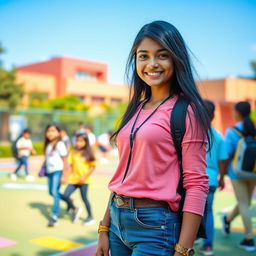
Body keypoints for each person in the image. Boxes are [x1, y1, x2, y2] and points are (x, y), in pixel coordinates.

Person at [96, 20, 210, 256]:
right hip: (117, 222)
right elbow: (124, 175)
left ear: (176, 59)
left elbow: (197, 185)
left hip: (156, 227)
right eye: (143, 56)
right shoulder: (134, 109)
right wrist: (104, 227)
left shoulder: (187, 111)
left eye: (162, 55)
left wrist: (183, 250)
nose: (152, 64)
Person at [221, 101, 256, 252]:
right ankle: (227, 220)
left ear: (237, 112)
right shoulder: (253, 128)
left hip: (237, 172)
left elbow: (228, 153)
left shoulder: (231, 131)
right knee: (245, 202)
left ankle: (249, 240)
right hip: (253, 171)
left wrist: (222, 174)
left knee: (243, 204)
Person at [198, 100, 228, 256]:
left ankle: (190, 239)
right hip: (211, 180)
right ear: (213, 115)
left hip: (193, 180)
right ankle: (208, 245)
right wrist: (222, 178)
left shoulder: (193, 133)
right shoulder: (219, 136)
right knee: (208, 212)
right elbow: (223, 160)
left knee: (189, 211)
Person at [63, 133, 96, 225]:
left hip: (84, 181)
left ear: (86, 142)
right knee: (65, 195)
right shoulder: (73, 153)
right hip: (73, 180)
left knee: (84, 199)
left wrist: (84, 177)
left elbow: (92, 167)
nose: (78, 143)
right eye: (77, 141)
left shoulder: (89, 153)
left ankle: (90, 217)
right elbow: (70, 166)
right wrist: (65, 176)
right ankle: (74, 208)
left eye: (81, 141)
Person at [44, 123, 69, 227]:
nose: (50, 133)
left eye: (53, 131)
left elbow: (65, 160)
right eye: (48, 131)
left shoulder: (60, 144)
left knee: (54, 192)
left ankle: (54, 216)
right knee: (51, 192)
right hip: (50, 171)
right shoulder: (49, 145)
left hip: (58, 171)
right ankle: (71, 203)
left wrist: (64, 175)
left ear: (59, 133)